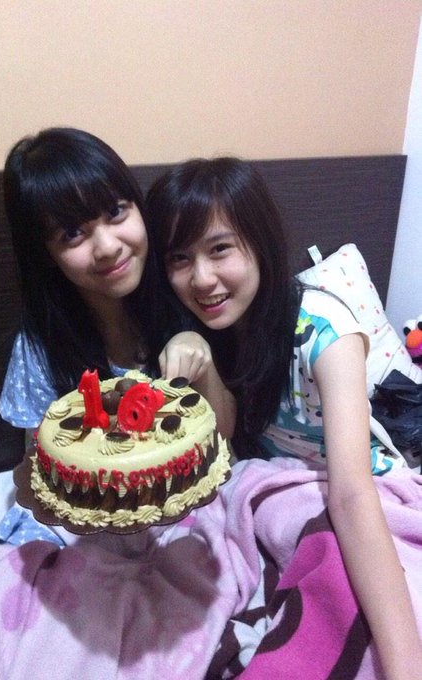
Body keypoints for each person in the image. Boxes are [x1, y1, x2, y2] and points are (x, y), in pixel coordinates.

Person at [146, 157, 422, 680]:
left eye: (220, 249)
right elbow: (227, 437)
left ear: (260, 243)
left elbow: (351, 495)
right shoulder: (210, 326)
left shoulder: (325, 330)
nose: (201, 278)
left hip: (361, 490)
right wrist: (201, 362)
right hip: (275, 490)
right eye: (180, 258)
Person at [0, 127, 234, 442]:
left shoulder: (185, 289)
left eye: (115, 211)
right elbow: (41, 456)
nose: (108, 247)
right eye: (72, 233)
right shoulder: (42, 346)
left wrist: (200, 356)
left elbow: (224, 437)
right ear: (46, 254)